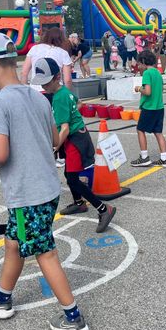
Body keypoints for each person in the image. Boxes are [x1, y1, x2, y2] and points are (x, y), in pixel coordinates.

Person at [0, 32, 89, 330]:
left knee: (44, 252)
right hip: (45, 188)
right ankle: (1, 299)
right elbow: (51, 142)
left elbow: (0, 153)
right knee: (13, 242)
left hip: (27, 195)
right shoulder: (38, 97)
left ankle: (73, 317)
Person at [30, 57, 117, 232]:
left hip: (75, 140)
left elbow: (65, 129)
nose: (43, 87)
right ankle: (79, 203)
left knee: (72, 178)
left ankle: (103, 209)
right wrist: (72, 114)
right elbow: (78, 103)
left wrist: (53, 148)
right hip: (77, 137)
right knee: (70, 174)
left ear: (56, 77)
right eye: (41, 83)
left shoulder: (59, 98)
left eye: (46, 82)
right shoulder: (64, 92)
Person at [131, 50, 166, 168]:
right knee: (158, 132)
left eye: (139, 64)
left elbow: (147, 91)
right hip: (159, 107)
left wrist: (139, 88)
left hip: (149, 107)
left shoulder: (147, 73)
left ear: (143, 62)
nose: (138, 66)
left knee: (140, 130)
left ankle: (144, 157)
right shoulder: (158, 73)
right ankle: (164, 159)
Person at [20, 28, 73, 99]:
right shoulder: (63, 53)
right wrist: (67, 96)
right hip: (55, 92)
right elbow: (68, 80)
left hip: (35, 91)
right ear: (61, 39)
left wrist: (26, 93)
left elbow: (23, 73)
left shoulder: (34, 49)